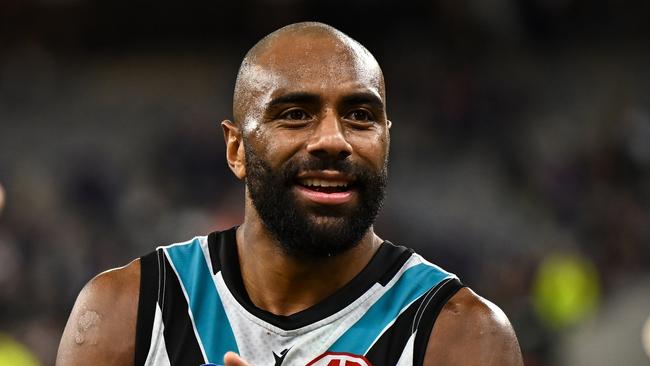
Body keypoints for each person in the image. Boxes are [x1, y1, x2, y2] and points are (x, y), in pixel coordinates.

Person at [56, 22, 523, 366]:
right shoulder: (126, 312)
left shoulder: (460, 333)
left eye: (360, 115)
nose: (334, 140)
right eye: (295, 114)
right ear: (236, 149)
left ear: (386, 140)